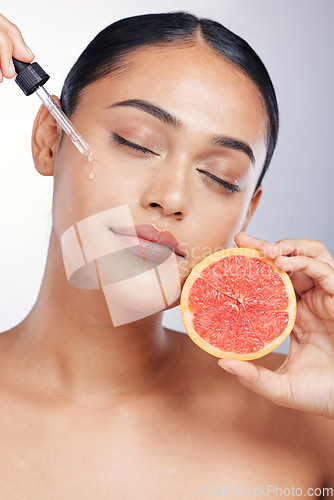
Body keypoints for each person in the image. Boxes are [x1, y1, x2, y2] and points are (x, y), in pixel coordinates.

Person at [0, 11, 334, 498]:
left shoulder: (308, 426)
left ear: (247, 212)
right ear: (50, 139)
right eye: (136, 142)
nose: (172, 197)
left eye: (220, 178)